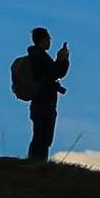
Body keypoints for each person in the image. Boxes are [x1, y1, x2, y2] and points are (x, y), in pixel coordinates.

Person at [25, 27, 70, 162]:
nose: (50, 41)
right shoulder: (40, 57)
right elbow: (56, 73)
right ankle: (38, 164)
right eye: (48, 39)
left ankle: (34, 161)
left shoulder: (35, 56)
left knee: (39, 135)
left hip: (37, 101)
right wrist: (63, 59)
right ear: (43, 40)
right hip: (45, 101)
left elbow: (49, 73)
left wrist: (58, 60)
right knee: (44, 136)